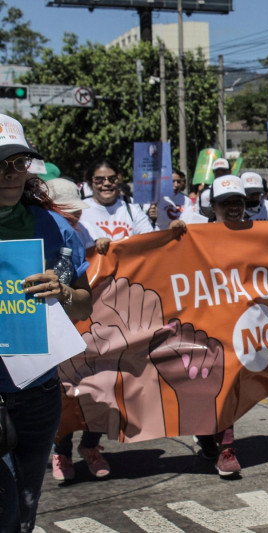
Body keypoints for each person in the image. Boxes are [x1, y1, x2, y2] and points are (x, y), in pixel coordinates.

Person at [0, 114, 92, 532]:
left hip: (37, 393)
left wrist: (63, 293)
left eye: (18, 162)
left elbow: (83, 305)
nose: (9, 174)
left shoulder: (54, 227)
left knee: (24, 509)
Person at [44, 178, 112, 481]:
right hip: (54, 329)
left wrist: (103, 247)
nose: (76, 216)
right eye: (67, 211)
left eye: (77, 211)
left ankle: (91, 445)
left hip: (91, 324)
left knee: (100, 388)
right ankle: (62, 451)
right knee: (63, 394)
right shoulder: (43, 230)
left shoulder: (80, 230)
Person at [193, 175, 247, 477]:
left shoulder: (261, 232)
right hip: (206, 324)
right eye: (226, 203)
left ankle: (226, 447)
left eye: (238, 201)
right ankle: (207, 435)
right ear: (212, 206)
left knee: (230, 385)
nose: (234, 208)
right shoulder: (196, 235)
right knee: (206, 386)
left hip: (243, 324)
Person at [77, 158, 155, 254]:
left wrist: (173, 231)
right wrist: (95, 244)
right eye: (99, 180)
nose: (107, 183)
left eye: (112, 179)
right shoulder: (80, 211)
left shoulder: (132, 209)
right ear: (89, 184)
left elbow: (151, 240)